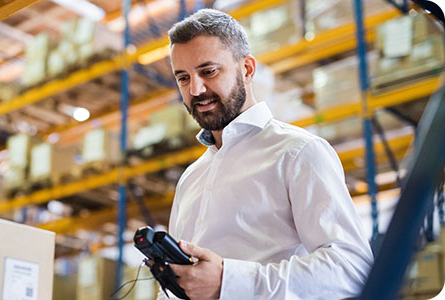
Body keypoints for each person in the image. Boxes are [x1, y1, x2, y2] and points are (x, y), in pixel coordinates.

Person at [159, 8, 374, 300]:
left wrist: (229, 281)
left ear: (247, 69)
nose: (196, 89)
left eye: (208, 71)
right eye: (183, 78)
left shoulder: (299, 153)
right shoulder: (190, 179)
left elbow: (352, 269)